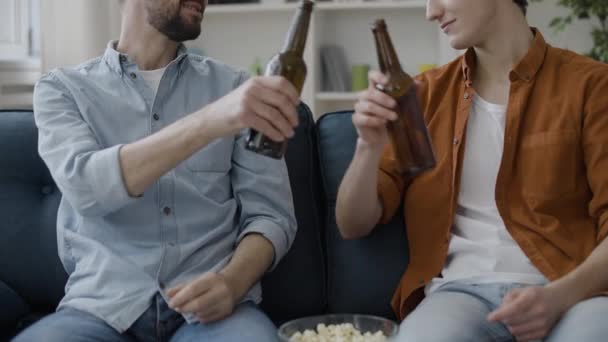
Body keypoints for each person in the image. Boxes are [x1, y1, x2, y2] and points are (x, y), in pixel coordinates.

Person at [14, 0, 299, 340]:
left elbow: (272, 216)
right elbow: (86, 188)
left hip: (217, 316)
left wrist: (232, 283)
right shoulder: (62, 90)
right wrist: (212, 119)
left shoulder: (236, 88)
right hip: (100, 310)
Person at [336, 0, 608, 341]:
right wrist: (368, 147)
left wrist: (559, 297)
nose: (430, 12)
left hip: (572, 294)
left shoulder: (592, 86)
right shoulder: (423, 97)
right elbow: (353, 223)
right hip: (459, 295)